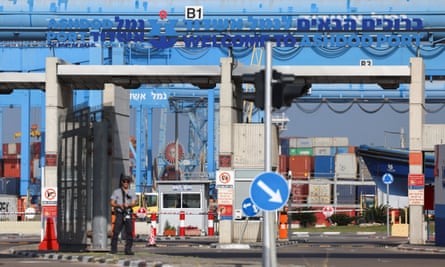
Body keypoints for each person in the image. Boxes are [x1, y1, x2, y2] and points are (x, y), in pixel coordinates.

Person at [110, 174, 137, 255]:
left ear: (129, 183)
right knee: (116, 232)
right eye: (124, 181)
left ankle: (128, 249)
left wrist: (128, 205)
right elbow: (112, 202)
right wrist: (119, 205)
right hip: (119, 213)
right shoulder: (116, 192)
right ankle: (113, 249)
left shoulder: (131, 192)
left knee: (129, 232)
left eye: (127, 182)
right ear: (122, 182)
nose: (126, 183)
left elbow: (134, 202)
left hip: (128, 213)